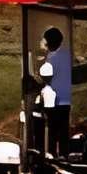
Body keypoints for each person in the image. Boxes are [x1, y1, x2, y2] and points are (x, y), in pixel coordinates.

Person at [32, 25, 74, 161]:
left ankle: (52, 157)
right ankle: (64, 155)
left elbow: (45, 78)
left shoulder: (52, 58)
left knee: (52, 131)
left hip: (54, 101)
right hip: (66, 99)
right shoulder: (66, 56)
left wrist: (37, 76)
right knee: (63, 131)